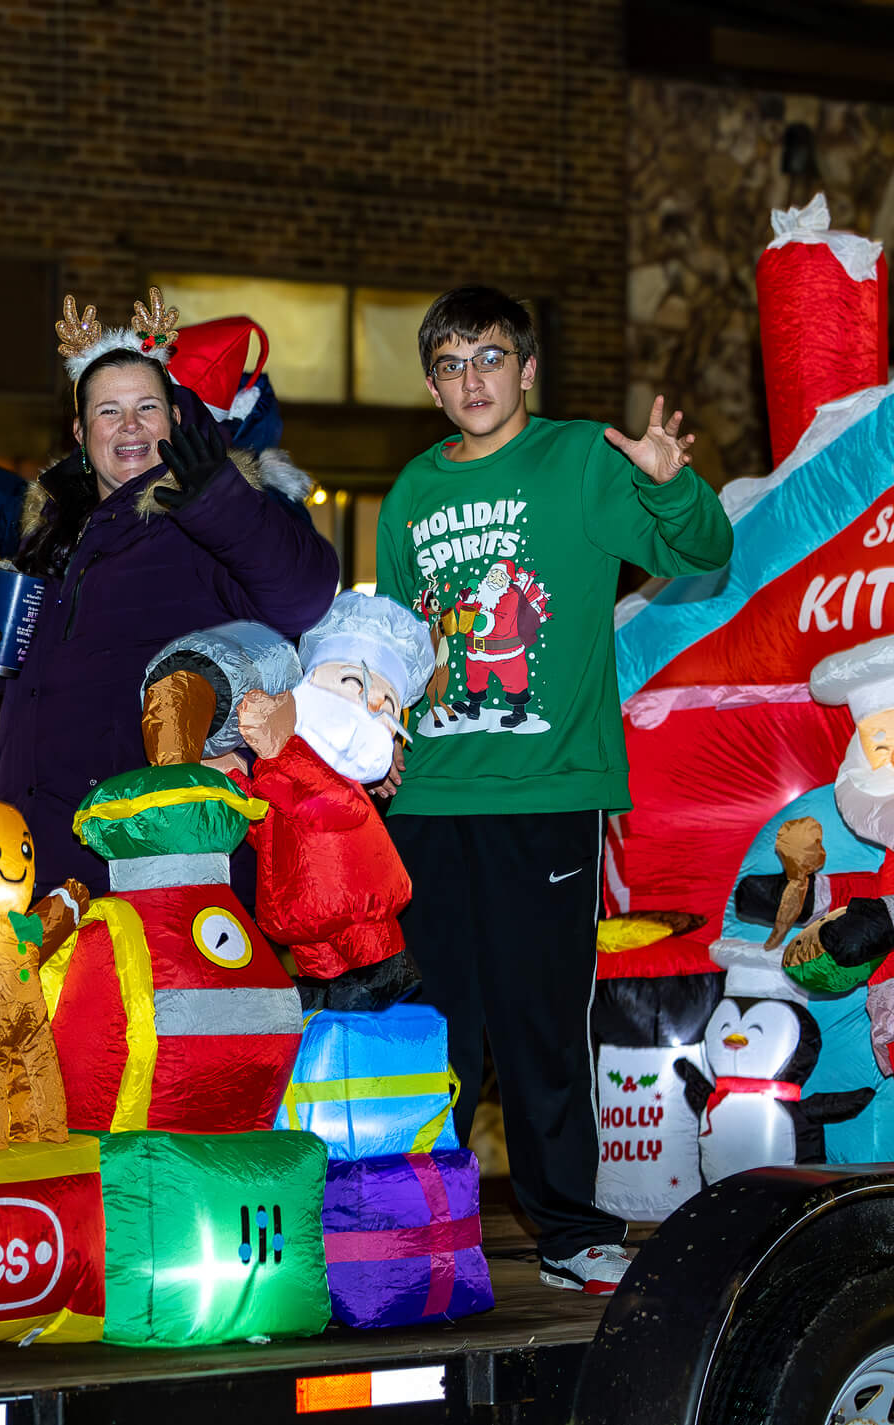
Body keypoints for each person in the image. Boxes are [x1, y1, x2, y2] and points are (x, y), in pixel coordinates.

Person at [373, 285, 733, 1294]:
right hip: (430, 804)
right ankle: (423, 1230)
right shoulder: (409, 492)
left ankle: (571, 1229)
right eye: (448, 365)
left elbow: (704, 550)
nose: (470, 379)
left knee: (541, 1022)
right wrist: (380, 733)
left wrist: (667, 485)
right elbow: (398, 644)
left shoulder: (579, 460)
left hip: (547, 794)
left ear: (527, 369)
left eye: (488, 357)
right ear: (434, 389)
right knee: (434, 1029)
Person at [0, 289, 339, 895]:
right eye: (108, 411)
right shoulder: (52, 535)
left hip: (152, 865)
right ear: (79, 430)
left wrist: (221, 501)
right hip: (37, 857)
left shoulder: (204, 519)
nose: (129, 427)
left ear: (176, 419)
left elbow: (305, 596)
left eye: (147, 407)